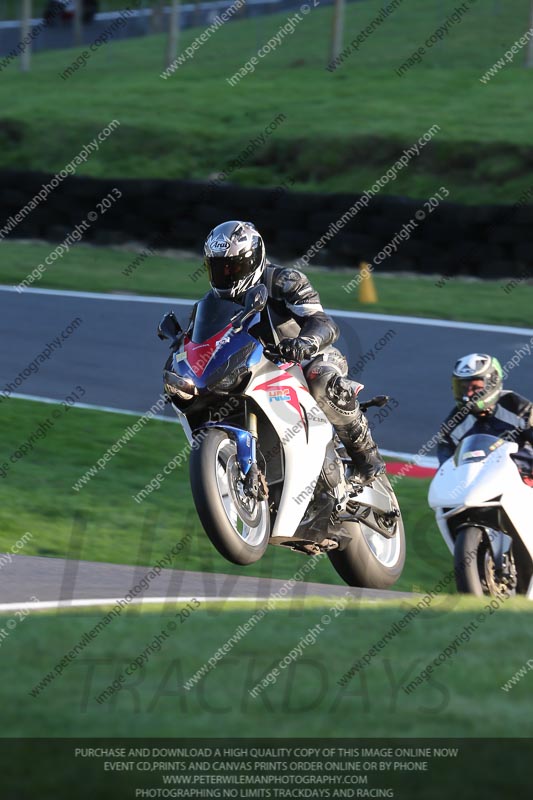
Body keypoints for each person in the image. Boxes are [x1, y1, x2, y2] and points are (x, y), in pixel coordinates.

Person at [196, 219, 386, 483]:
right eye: (218, 268)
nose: (226, 275)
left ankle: (368, 460)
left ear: (253, 260)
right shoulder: (210, 304)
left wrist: (305, 342)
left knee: (321, 379)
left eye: (234, 267)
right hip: (253, 368)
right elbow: (200, 343)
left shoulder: (284, 280)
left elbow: (324, 323)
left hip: (305, 358)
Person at [437, 353, 533, 483]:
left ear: (492, 383)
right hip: (478, 489)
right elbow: (445, 471)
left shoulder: (520, 409)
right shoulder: (452, 426)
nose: (468, 395)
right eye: (463, 388)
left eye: (475, 388)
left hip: (522, 483)